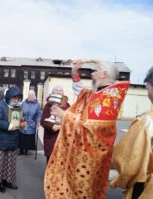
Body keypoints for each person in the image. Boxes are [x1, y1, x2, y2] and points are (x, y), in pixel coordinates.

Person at [44, 60, 130, 199]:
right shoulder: (98, 93)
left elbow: (92, 127)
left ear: (105, 74)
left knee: (85, 191)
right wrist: (74, 73)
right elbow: (81, 90)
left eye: (95, 71)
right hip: (82, 153)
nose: (92, 74)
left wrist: (64, 115)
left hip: (92, 158)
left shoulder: (109, 98)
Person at [110, 66, 153, 199]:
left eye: (148, 88)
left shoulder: (146, 122)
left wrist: (118, 181)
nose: (147, 92)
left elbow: (129, 163)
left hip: (145, 187)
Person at [0, 86, 26, 193]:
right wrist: (8, 126)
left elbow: (18, 120)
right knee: (0, 163)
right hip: (1, 140)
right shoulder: (0, 105)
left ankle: (7, 181)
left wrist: (22, 123)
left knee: (10, 163)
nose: (16, 100)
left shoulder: (17, 107)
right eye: (14, 98)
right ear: (9, 96)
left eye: (18, 98)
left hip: (13, 140)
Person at [40, 85, 70, 163]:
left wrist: (61, 125)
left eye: (60, 90)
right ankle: (49, 175)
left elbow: (70, 120)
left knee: (62, 160)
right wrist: (52, 126)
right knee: (51, 160)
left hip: (63, 137)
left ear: (63, 93)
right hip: (51, 137)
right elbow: (43, 121)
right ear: (52, 93)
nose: (58, 92)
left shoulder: (68, 106)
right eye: (56, 90)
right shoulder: (48, 106)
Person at [19, 90, 41, 155]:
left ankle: (26, 150)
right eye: (29, 96)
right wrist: (20, 118)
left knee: (28, 137)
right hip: (23, 122)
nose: (30, 97)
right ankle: (21, 150)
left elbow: (38, 114)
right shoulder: (23, 103)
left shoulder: (37, 104)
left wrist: (38, 122)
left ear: (34, 96)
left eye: (32, 96)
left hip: (31, 124)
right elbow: (20, 111)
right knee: (22, 136)